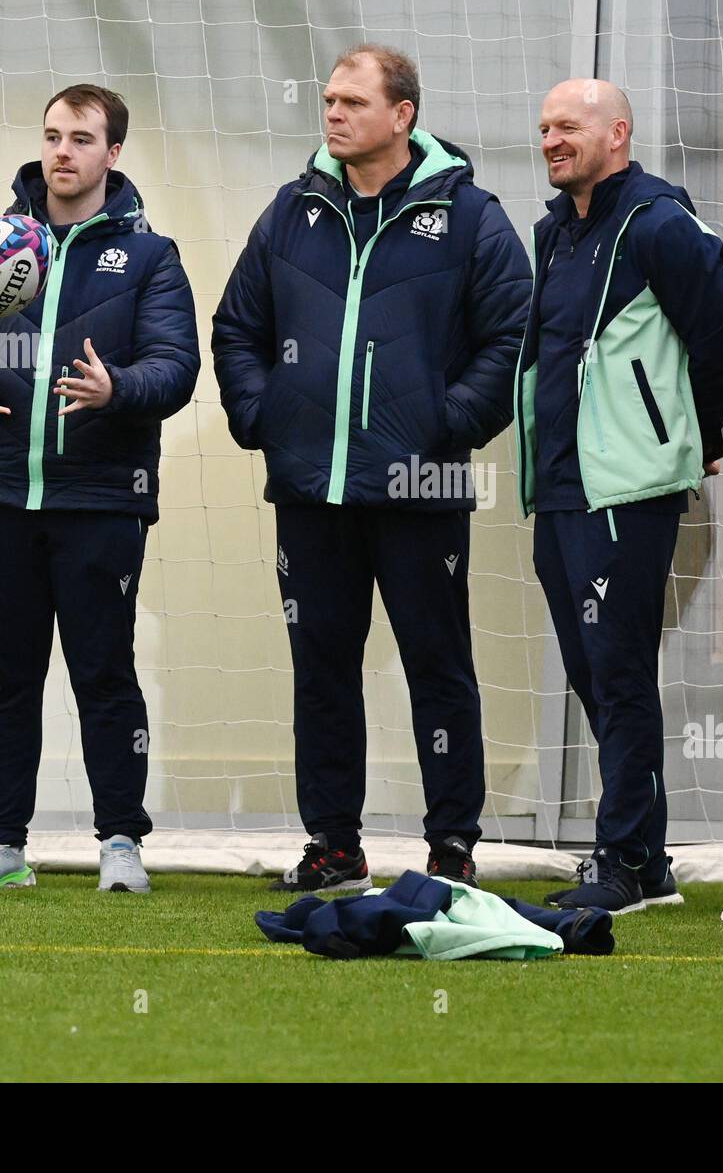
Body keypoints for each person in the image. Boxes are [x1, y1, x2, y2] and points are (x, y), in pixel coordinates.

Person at [213, 45, 530, 892]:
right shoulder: (291, 212)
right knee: (320, 668)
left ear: (403, 115)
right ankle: (333, 845)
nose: (333, 113)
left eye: (352, 100)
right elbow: (236, 327)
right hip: (311, 488)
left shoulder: (470, 217)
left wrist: (448, 423)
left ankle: (452, 848)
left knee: (438, 667)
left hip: (421, 487)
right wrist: (262, 416)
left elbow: (513, 336)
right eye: (327, 99)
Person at [0, 84, 200, 892]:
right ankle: (2, 843)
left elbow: (177, 366)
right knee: (6, 677)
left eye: (81, 138)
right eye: (51, 135)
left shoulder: (150, 257)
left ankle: (120, 844)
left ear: (114, 154)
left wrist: (121, 391)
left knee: (103, 671)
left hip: (100, 499)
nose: (61, 151)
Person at [517, 79, 723, 914]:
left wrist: (694, 437)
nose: (551, 139)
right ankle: (644, 860)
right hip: (557, 488)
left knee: (617, 674)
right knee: (593, 672)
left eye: (568, 126)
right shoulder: (555, 233)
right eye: (544, 127)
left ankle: (620, 862)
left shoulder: (659, 224)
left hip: (627, 492)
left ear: (617, 133)